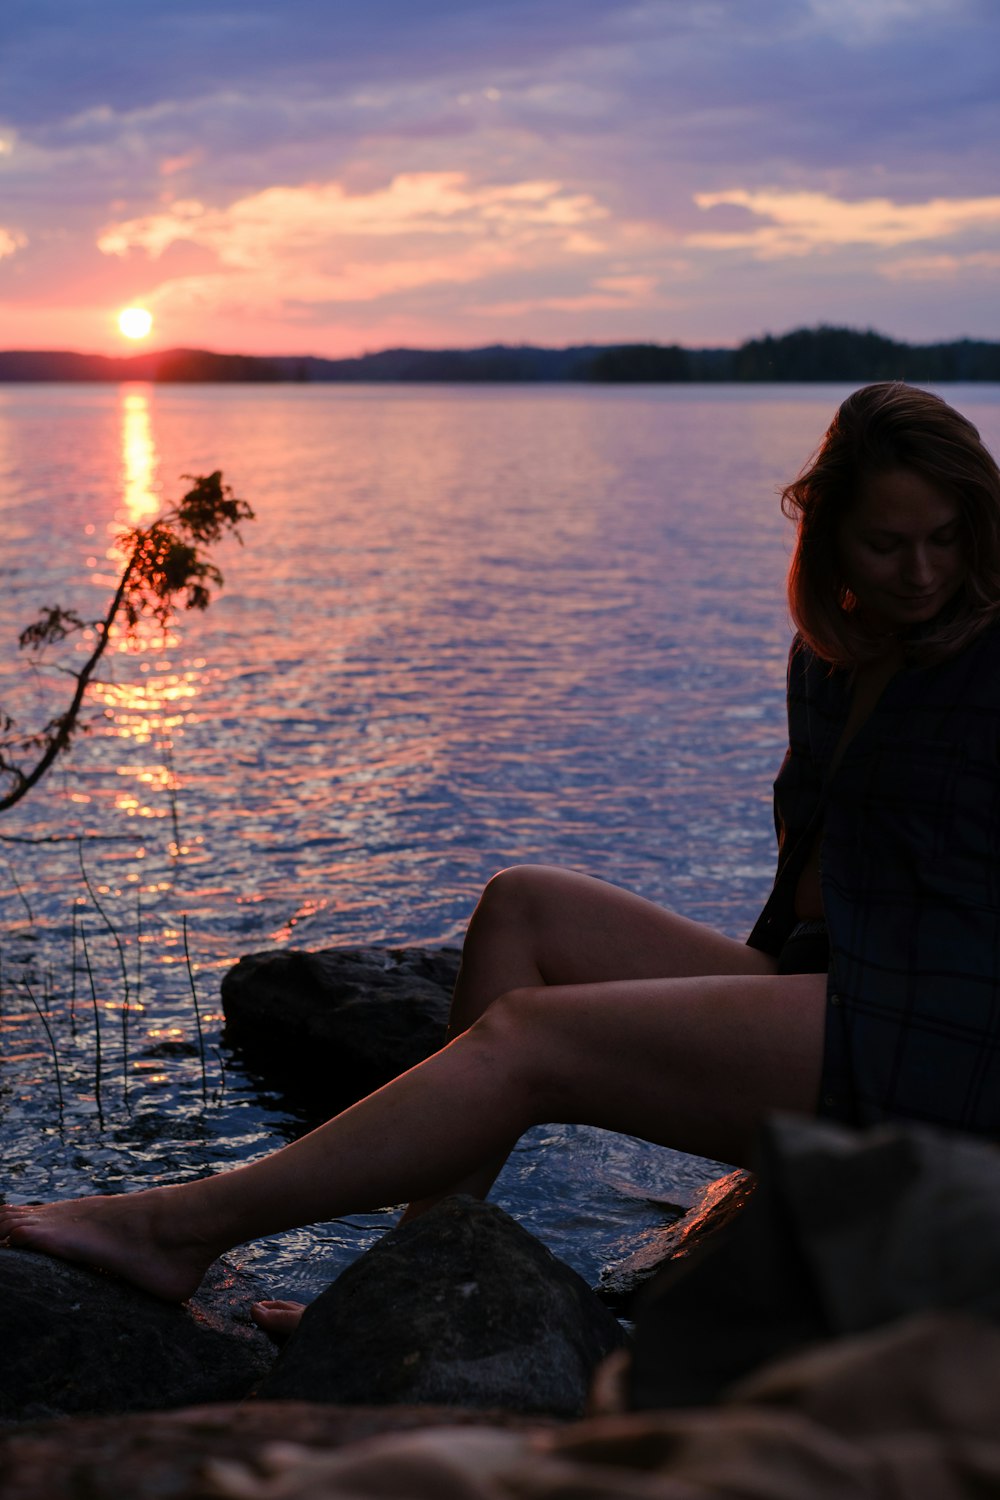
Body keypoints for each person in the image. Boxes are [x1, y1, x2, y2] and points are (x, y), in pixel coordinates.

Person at [3, 382, 1000, 1324]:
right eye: (884, 544)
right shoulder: (831, 657)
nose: (919, 572)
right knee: (524, 906)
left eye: (944, 540)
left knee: (535, 1040)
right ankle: (421, 1291)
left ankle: (181, 1228)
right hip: (840, 988)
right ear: (827, 540)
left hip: (946, 1049)